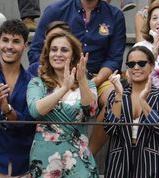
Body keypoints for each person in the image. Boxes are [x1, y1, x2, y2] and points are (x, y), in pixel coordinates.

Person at [28, 0, 126, 156]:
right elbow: (35, 51)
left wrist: (92, 82)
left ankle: (88, 154)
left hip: (97, 76)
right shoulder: (55, 10)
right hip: (57, 74)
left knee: (113, 97)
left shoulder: (115, 15)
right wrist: (53, 77)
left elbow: (114, 58)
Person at [27, 31, 98, 178]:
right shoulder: (37, 83)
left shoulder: (88, 84)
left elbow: (91, 111)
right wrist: (63, 88)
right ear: (48, 54)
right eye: (54, 49)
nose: (58, 54)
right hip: (44, 158)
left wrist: (82, 81)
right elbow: (35, 111)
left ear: (73, 56)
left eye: (64, 50)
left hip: (78, 157)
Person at [104, 46, 159, 178]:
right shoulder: (116, 93)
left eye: (141, 63)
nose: (136, 67)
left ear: (152, 66)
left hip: (150, 161)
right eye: (131, 64)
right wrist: (118, 95)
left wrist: (143, 102)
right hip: (119, 161)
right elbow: (110, 128)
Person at [0, 19, 35, 178]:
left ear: (25, 46)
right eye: (5, 40)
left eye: (16, 41)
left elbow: (30, 123)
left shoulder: (33, 83)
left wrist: (8, 110)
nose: (9, 46)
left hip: (22, 170)